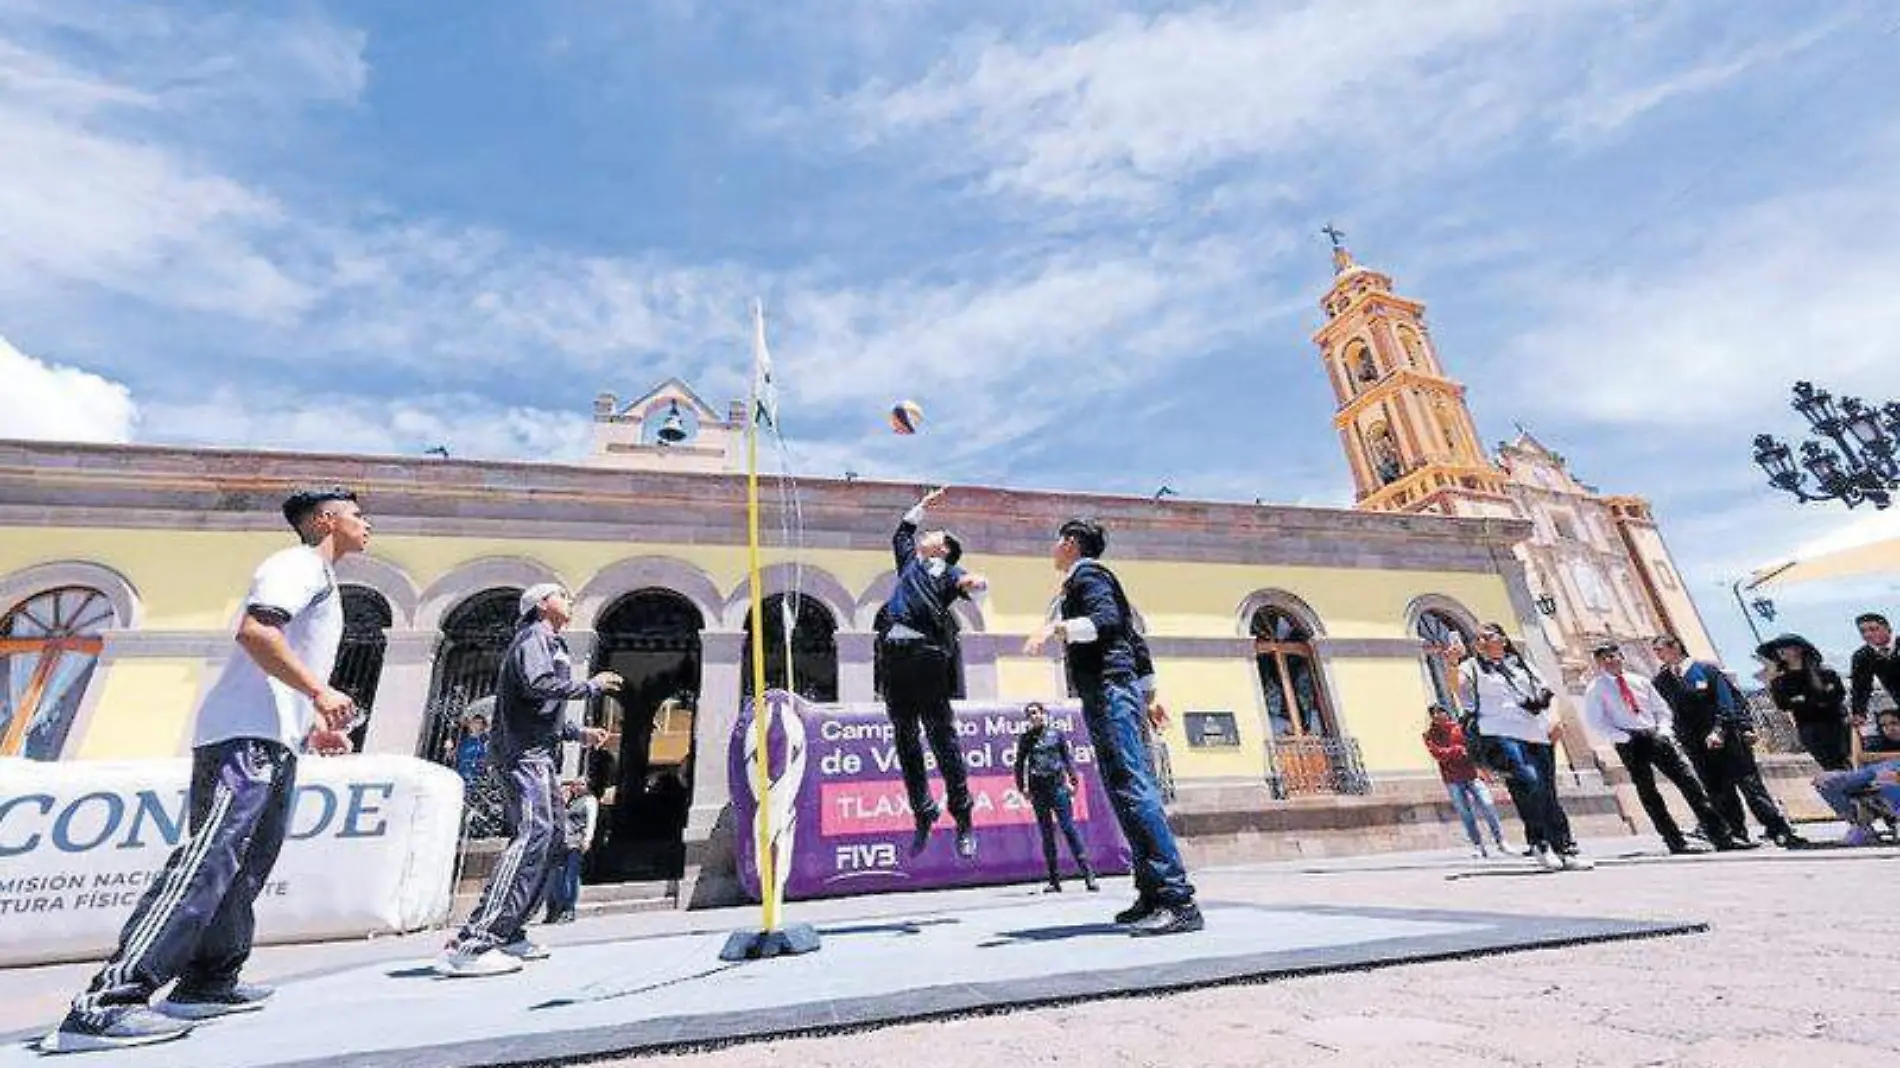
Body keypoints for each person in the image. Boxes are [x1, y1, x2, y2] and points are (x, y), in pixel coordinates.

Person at [43, 488, 371, 1053]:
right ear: (325, 521)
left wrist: (310, 723)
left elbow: (280, 656)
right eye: (358, 516)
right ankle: (107, 1003)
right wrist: (320, 692)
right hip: (242, 738)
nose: (368, 526)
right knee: (210, 857)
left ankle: (207, 982)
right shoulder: (296, 564)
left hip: (273, 738)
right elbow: (257, 633)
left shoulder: (321, 579)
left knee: (245, 866)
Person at [1026, 517, 1201, 935]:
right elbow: (1132, 637)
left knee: (1134, 789)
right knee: (1124, 791)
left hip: (1108, 689)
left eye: (1056, 542)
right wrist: (1150, 695)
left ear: (1070, 543)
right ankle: (1153, 893)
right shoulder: (1087, 580)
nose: (1052, 549)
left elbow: (1105, 622)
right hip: (1114, 691)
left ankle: (1178, 900)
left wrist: (1057, 626)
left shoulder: (1089, 576)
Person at [436, 584, 618, 977]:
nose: (570, 600)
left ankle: (510, 931)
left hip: (538, 753)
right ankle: (475, 941)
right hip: (522, 755)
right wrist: (591, 686)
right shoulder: (534, 638)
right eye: (562, 595)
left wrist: (577, 733)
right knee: (534, 833)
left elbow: (540, 709)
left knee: (553, 838)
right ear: (541, 605)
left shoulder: (552, 644)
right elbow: (536, 686)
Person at [880, 486, 989, 860]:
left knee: (942, 739)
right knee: (905, 737)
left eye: (934, 536)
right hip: (896, 655)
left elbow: (970, 586)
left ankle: (962, 816)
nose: (926, 537)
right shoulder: (909, 564)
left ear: (942, 550)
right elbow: (901, 534)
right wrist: (922, 506)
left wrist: (978, 585)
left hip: (927, 656)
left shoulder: (949, 570)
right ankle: (923, 811)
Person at [1452, 623, 1593, 872]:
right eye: (1478, 638)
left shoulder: (1523, 666)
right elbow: (1458, 686)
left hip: (1536, 732)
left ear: (1503, 640)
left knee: (1547, 790)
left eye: (1488, 636)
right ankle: (1540, 843)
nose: (1482, 641)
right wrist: (1452, 662)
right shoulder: (1471, 666)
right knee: (1529, 782)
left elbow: (1548, 694)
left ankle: (1565, 848)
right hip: (1500, 733)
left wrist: (1555, 719)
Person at [1581, 643, 1745, 855]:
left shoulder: (1640, 681)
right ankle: (1674, 841)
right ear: (1598, 663)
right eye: (1603, 659)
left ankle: (1721, 836)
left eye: (1612, 656)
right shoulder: (1596, 689)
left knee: (1690, 784)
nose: (1609, 661)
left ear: (1621, 656)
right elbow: (1596, 721)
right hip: (1628, 741)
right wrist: (1623, 737)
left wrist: (1664, 731)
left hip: (1655, 735)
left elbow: (1661, 709)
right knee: (1649, 792)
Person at [1651, 635, 1805, 848]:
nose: (1658, 655)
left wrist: (1722, 730)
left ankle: (1779, 829)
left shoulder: (1706, 671)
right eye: (1656, 651)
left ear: (1675, 647)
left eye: (1660, 649)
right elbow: (1665, 711)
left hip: (1727, 739)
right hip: (1695, 745)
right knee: (1717, 790)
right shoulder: (1661, 681)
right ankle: (1735, 833)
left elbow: (1727, 702)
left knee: (1750, 785)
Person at [1012, 701, 1099, 893]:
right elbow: (1019, 764)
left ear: (1043, 714)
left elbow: (1067, 759)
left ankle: (1089, 876)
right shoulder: (1026, 738)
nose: (1033, 717)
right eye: (1029, 714)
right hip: (1038, 790)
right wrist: (1022, 787)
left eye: (1035, 713)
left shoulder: (1056, 734)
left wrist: (1073, 781)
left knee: (1069, 829)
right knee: (1047, 833)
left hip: (1058, 788)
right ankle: (1054, 880)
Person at [1421, 704, 1508, 858]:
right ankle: (1477, 845)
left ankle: (1501, 840)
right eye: (1433, 714)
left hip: (1472, 774)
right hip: (1452, 779)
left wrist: (1458, 753)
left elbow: (1471, 748)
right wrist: (1457, 751)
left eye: (1440, 712)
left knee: (1488, 805)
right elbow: (1438, 753)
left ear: (1447, 714)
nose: (1437, 716)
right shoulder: (1429, 735)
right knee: (1465, 813)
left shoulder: (1460, 729)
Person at [1759, 633, 1853, 771]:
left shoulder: (1825, 673)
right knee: (1827, 765)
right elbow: (1783, 705)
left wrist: (1802, 700)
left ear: (1799, 649)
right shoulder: (1781, 680)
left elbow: (1836, 696)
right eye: (1778, 648)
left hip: (1835, 724)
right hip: (1808, 727)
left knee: (1843, 762)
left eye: (1786, 646)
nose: (1781, 651)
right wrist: (1810, 700)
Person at [1813, 708, 1900, 845]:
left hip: (1889, 780)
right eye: (1883, 725)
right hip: (1871, 776)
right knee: (1824, 781)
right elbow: (1860, 758)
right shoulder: (1876, 742)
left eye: (1894, 723)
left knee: (1888, 775)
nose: (1889, 729)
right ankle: (1861, 826)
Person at [542, 779, 599, 924]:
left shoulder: (589, 801)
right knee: (556, 877)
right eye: (575, 784)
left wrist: (587, 839)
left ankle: (569, 909)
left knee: (571, 876)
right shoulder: (567, 801)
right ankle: (555, 908)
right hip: (559, 843)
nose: (577, 787)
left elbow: (591, 821)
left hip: (575, 842)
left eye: (581, 784)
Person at [1848, 613, 1900, 726]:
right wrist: (1859, 713)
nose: (1868, 634)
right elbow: (1860, 687)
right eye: (1863, 631)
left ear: (1888, 629)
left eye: (1873, 629)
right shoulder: (1862, 656)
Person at [454, 713, 491, 785]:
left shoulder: (485, 741)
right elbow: (454, 757)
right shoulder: (463, 741)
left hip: (477, 778)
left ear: (483, 726)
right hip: (460, 776)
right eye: (474, 722)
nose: (475, 725)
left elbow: (487, 760)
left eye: (479, 723)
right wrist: (449, 749)